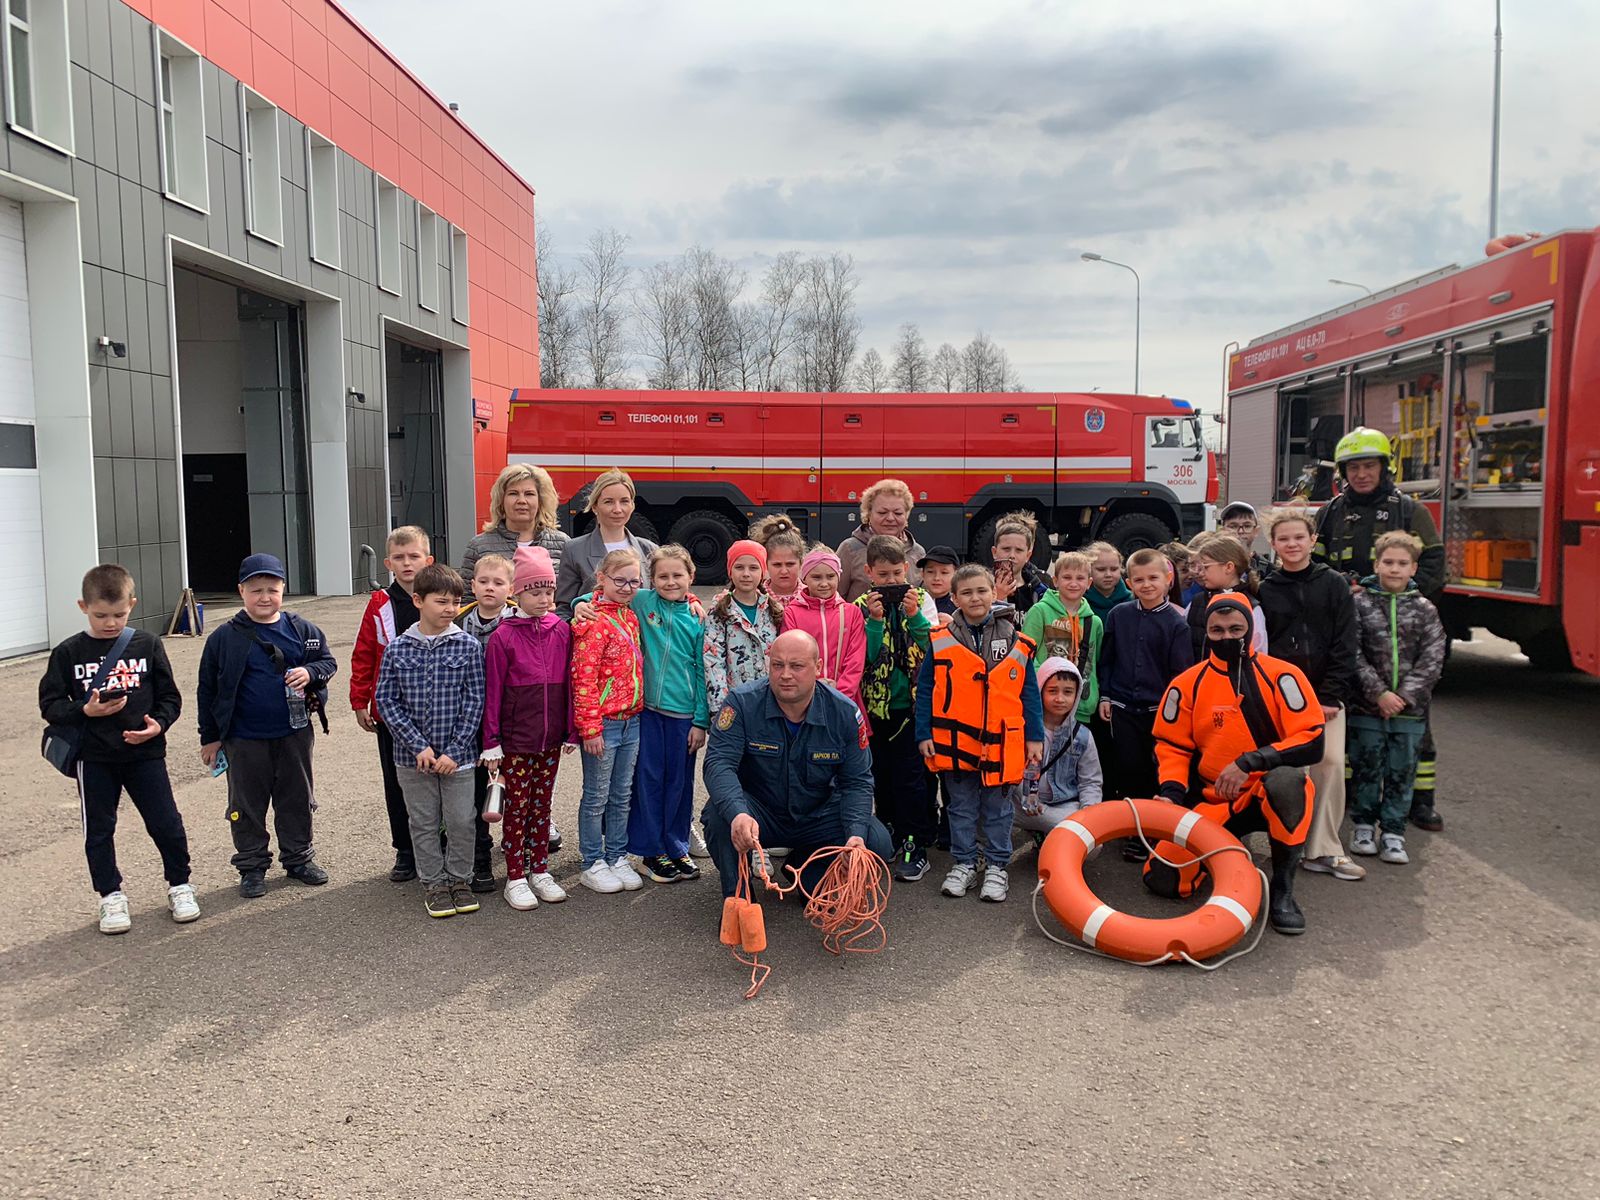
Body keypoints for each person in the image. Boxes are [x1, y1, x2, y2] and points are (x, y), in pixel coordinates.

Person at [1150, 592, 1325, 934]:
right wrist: (1170, 793)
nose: (1227, 637)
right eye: (1217, 631)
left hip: (1263, 792)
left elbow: (1312, 740)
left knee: (1290, 783)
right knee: (1163, 880)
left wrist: (1250, 762)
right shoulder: (1187, 684)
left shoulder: (1283, 676)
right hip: (1213, 798)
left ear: (1250, 629)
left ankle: (1283, 889)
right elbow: (1171, 746)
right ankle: (1226, 851)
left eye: (1236, 629)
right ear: (1207, 632)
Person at [39, 564, 195, 935]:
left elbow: (170, 697)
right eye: (101, 615)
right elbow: (50, 705)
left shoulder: (147, 644)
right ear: (82, 606)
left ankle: (180, 885)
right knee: (99, 830)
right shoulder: (68, 652)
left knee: (166, 823)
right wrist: (85, 710)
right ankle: (110, 896)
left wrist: (159, 723)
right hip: (94, 757)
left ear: (133, 605)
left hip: (145, 752)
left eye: (119, 615)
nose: (110, 623)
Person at [1313, 426, 1446, 831]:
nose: (1361, 474)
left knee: (1413, 724)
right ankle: (1359, 799)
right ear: (1343, 471)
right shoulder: (1331, 511)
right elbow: (1318, 567)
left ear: (1384, 467)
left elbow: (1435, 570)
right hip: (1350, 632)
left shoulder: (1410, 511)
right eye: (1354, 467)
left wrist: (1393, 593)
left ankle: (1420, 802)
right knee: (1356, 724)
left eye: (1369, 465)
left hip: (1400, 634)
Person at [701, 631, 894, 899]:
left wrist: (855, 836)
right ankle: (740, 899)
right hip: (761, 813)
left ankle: (806, 873)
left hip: (818, 816)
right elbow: (718, 763)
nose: (785, 674)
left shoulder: (844, 713)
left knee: (875, 841)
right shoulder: (742, 704)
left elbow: (857, 781)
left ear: (817, 666)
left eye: (797, 666)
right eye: (777, 665)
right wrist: (738, 813)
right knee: (719, 815)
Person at [197, 553, 337, 898]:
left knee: (296, 799)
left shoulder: (301, 630)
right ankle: (251, 865)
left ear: (283, 589)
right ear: (241, 591)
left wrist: (311, 672)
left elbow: (327, 661)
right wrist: (210, 738)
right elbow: (208, 690)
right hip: (243, 739)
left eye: (272, 589)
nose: (264, 597)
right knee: (246, 806)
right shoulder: (224, 638)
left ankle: (299, 858)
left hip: (294, 733)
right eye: (256, 589)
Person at [915, 564, 1044, 904]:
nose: (975, 598)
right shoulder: (941, 639)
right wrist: (923, 731)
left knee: (999, 810)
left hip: (1002, 742)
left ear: (994, 593)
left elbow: (1028, 690)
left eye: (982, 591)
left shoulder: (1014, 637)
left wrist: (1035, 736)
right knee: (960, 807)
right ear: (955, 598)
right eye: (967, 592)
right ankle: (965, 862)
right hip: (956, 742)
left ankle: (998, 865)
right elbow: (926, 688)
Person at [1257, 508, 1365, 883]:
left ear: (1312, 541)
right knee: (1290, 771)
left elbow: (1345, 642)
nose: (1291, 544)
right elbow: (1264, 646)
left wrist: (1331, 695)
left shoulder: (1333, 583)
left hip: (1326, 697)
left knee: (1330, 764)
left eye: (1298, 538)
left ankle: (1325, 849)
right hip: (1282, 699)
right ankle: (1289, 845)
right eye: (1283, 539)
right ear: (1273, 544)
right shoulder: (1267, 589)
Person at [374, 564, 486, 919]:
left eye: (455, 602)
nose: (450, 609)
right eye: (442, 601)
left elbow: (475, 701)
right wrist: (416, 746)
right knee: (422, 822)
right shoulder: (397, 649)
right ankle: (434, 883)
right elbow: (387, 701)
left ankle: (459, 879)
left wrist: (455, 750)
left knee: (461, 820)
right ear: (418, 600)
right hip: (413, 760)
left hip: (460, 757)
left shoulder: (468, 647)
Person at [480, 546, 575, 910]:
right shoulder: (503, 637)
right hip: (516, 741)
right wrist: (492, 742)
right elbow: (493, 693)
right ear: (516, 593)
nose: (544, 599)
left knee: (543, 805)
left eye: (549, 592)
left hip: (550, 740)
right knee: (517, 808)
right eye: (536, 592)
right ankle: (516, 876)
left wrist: (570, 729)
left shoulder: (561, 631)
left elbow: (569, 683)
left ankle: (540, 869)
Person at [1348, 532, 1447, 866]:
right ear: (1376, 564)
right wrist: (1378, 693)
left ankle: (1393, 832)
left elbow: (1433, 658)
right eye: (1388, 562)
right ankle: (1363, 826)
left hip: (1409, 711)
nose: (1394, 569)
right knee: (1366, 768)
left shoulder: (1425, 610)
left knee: (1402, 771)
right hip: (1366, 708)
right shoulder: (1359, 604)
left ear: (1414, 568)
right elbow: (1353, 653)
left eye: (1402, 563)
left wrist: (1403, 697)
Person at [619, 546, 710, 884]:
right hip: (648, 713)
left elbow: (703, 671)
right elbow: (601, 593)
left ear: (691, 578)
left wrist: (701, 721)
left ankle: (676, 845)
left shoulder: (698, 618)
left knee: (680, 783)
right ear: (651, 579)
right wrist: (581, 604)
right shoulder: (644, 602)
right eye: (663, 576)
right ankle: (650, 850)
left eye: (677, 575)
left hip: (684, 716)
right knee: (649, 780)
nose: (670, 582)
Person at [349, 525, 432, 883]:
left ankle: (440, 842)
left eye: (414, 556)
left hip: (437, 710)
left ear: (428, 560)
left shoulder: (443, 597)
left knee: (439, 781)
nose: (407, 563)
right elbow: (364, 654)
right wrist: (359, 700)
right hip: (393, 713)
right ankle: (406, 850)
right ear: (387, 563)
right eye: (399, 557)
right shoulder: (380, 603)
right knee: (397, 783)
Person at [855, 536, 937, 882]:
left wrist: (914, 616)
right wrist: (875, 621)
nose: (890, 582)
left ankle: (914, 843)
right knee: (880, 777)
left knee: (911, 780)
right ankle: (887, 831)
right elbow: (865, 658)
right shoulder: (859, 605)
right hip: (875, 709)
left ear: (907, 570)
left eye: (895, 574)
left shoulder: (921, 600)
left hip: (912, 708)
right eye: (883, 575)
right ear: (869, 572)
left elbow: (932, 647)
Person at [1097, 548, 1195, 827]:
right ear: (1128, 584)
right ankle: (1130, 826)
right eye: (1138, 580)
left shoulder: (1177, 624)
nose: (1147, 585)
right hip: (1122, 707)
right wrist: (1106, 694)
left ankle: (1152, 828)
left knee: (1154, 769)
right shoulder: (1119, 615)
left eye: (1153, 578)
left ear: (1168, 579)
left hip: (1158, 711)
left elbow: (1181, 677)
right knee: (1126, 767)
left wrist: (1174, 713)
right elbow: (1107, 659)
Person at [571, 548, 647, 895]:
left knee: (621, 794)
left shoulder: (630, 615)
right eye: (620, 580)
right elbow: (582, 679)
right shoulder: (591, 621)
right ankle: (592, 860)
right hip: (605, 725)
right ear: (601, 579)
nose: (628, 587)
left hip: (632, 720)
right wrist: (590, 728)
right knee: (597, 795)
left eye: (634, 581)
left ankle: (616, 855)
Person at [453, 552, 515, 891]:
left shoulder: (517, 620)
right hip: (467, 722)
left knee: (508, 788)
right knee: (475, 792)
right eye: (484, 582)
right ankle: (479, 858)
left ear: (511, 587)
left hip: (508, 721)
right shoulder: (459, 621)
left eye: (498, 582)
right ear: (472, 585)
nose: (490, 588)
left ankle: (518, 851)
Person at [1014, 658, 1103, 846]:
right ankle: (1047, 831)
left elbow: (1091, 782)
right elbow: (1009, 769)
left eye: (1068, 692)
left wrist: (1089, 816)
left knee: (1093, 845)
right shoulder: (1022, 728)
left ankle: (1046, 833)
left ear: (1076, 695)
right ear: (1040, 691)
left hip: (1062, 807)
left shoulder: (1083, 736)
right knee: (989, 809)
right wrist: (1025, 793)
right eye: (1052, 691)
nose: (1060, 699)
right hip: (1022, 803)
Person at [555, 468, 660, 618]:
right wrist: (576, 608)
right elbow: (563, 610)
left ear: (632, 505)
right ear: (595, 506)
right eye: (609, 502)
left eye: (624, 501)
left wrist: (690, 601)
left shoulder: (649, 550)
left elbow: (666, 600)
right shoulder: (574, 550)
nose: (617, 509)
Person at [1021, 550, 1103, 726]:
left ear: (1089, 583)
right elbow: (1027, 654)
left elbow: (1095, 663)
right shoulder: (1040, 611)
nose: (1073, 583)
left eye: (1080, 578)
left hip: (1082, 707)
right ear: (1056, 581)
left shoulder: (1094, 622)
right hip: (1046, 703)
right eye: (1067, 577)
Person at [781, 548, 867, 713]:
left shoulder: (852, 612)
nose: (824, 583)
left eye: (830, 576)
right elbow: (793, 657)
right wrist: (812, 693)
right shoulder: (792, 612)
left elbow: (855, 660)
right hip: (806, 700)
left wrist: (840, 695)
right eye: (816, 577)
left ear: (839, 577)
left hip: (846, 700)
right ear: (804, 578)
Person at [705, 539, 783, 715]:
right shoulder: (719, 611)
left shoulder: (774, 610)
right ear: (730, 571)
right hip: (734, 703)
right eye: (739, 567)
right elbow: (713, 662)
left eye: (753, 568)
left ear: (763, 572)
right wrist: (720, 709)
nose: (746, 574)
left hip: (770, 703)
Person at [460, 463, 571, 582]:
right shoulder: (478, 547)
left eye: (529, 494)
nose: (522, 501)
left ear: (541, 500)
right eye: (513, 493)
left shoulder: (564, 545)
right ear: (501, 500)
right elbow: (466, 597)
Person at [837, 478, 927, 602]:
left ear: (906, 515)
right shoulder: (850, 549)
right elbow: (835, 599)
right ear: (868, 514)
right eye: (882, 512)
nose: (890, 518)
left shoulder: (917, 552)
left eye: (898, 513)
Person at [1184, 533, 1269, 661]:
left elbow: (1259, 654)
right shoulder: (1197, 601)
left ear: (1228, 567)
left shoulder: (1251, 607)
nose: (1201, 572)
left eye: (1206, 567)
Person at [988, 510, 1051, 617]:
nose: (1012, 555)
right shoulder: (981, 583)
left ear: (1028, 555)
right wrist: (996, 598)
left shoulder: (1040, 587)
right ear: (994, 552)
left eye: (1019, 550)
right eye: (1006, 549)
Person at [749, 515, 806, 611]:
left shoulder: (812, 596)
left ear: (801, 562)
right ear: (765, 564)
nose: (784, 571)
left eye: (790, 564)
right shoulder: (753, 598)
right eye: (777, 565)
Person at [1218, 500, 1275, 580]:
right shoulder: (1213, 566)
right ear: (1222, 530)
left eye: (1247, 526)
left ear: (1256, 531)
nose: (1240, 531)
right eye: (1233, 526)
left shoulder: (1268, 571)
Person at [1083, 541, 1132, 624]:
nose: (1108, 575)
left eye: (1114, 569)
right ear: (1088, 570)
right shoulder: (1080, 601)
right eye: (1101, 569)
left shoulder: (1131, 601)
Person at [916, 545, 960, 617]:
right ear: (922, 574)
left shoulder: (961, 607)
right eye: (930, 572)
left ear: (956, 575)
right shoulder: (913, 602)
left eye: (944, 573)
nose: (937, 578)